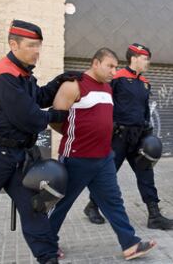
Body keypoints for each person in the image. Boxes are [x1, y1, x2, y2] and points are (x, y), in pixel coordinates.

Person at [0, 20, 76, 264]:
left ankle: (48, 257)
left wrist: (60, 80)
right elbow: (30, 118)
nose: (36, 51)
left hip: (19, 156)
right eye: (31, 45)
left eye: (39, 46)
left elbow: (37, 98)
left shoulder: (24, 75)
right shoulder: (4, 75)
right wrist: (57, 116)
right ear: (13, 44)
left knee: (34, 207)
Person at [49, 48, 156, 260]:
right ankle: (46, 244)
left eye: (116, 67)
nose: (114, 71)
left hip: (104, 157)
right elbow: (55, 118)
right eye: (110, 66)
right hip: (77, 157)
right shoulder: (73, 85)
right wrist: (75, 134)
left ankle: (130, 244)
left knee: (114, 202)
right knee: (62, 203)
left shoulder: (107, 88)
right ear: (95, 63)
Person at [83, 43, 173, 230]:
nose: (148, 62)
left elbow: (144, 111)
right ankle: (92, 206)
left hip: (138, 138)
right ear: (134, 58)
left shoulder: (145, 83)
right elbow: (104, 105)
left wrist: (148, 134)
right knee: (107, 175)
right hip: (117, 137)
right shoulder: (117, 79)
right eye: (145, 58)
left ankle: (154, 215)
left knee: (146, 174)